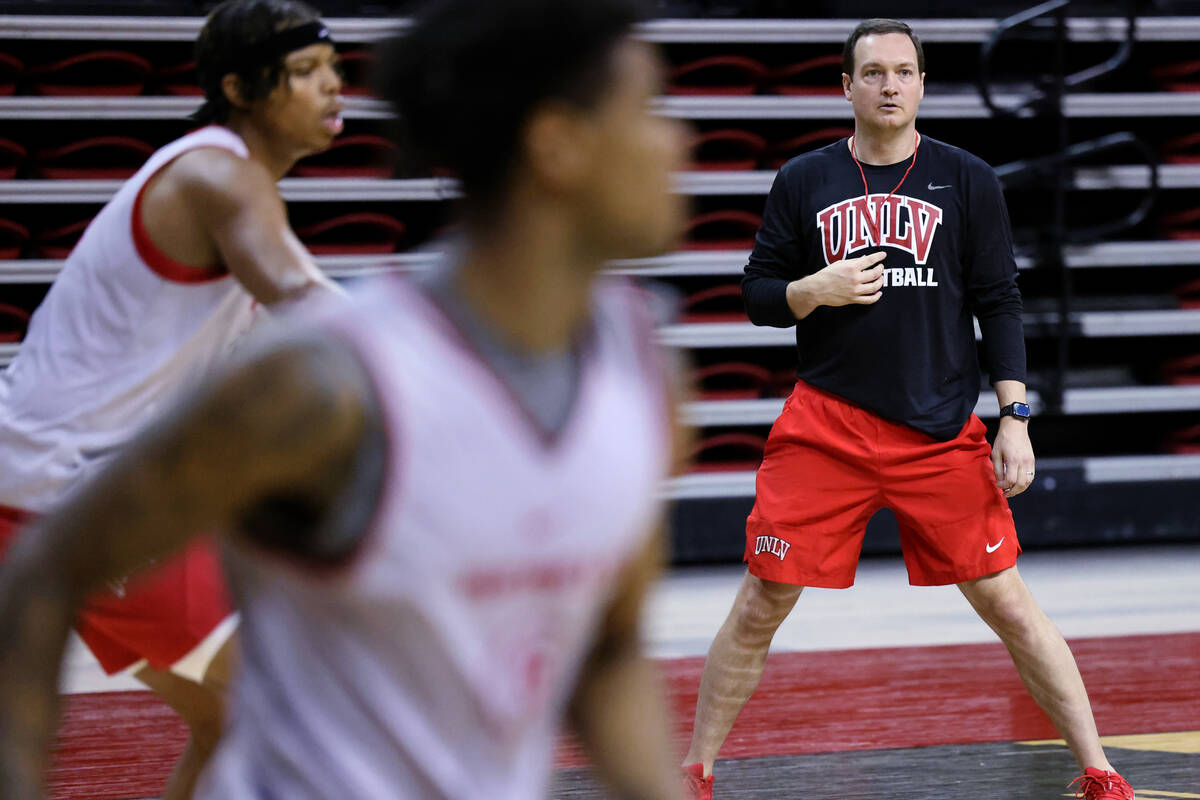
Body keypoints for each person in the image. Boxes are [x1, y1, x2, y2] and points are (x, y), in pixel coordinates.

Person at [0, 0, 692, 798]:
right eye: (649, 109)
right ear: (554, 146)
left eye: (335, 70)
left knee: (229, 716)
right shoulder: (239, 215)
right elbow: (298, 291)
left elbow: (609, 655)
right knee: (237, 703)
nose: (680, 138)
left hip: (79, 467)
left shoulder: (642, 368)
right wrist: (425, 370)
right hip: (55, 479)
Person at [680, 18, 1134, 800]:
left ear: (922, 85)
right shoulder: (803, 179)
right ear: (846, 87)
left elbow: (1001, 301)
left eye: (904, 71)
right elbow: (756, 295)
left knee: (1011, 605)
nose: (890, 85)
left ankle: (1098, 769)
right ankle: (693, 771)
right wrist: (809, 291)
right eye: (874, 72)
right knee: (762, 600)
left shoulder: (965, 178)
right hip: (826, 426)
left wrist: (1014, 417)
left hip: (938, 430)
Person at [0, 1, 344, 796]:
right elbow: (309, 303)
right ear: (240, 87)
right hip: (73, 497)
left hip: (59, 495)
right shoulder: (216, 177)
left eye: (333, 69)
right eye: (304, 73)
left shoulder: (225, 182)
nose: (332, 88)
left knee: (232, 722)